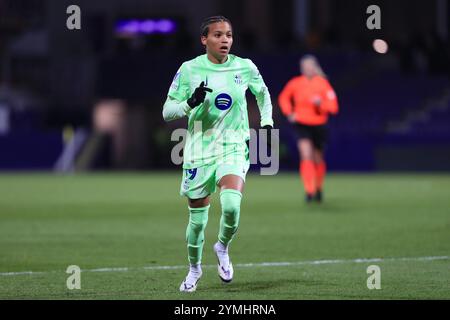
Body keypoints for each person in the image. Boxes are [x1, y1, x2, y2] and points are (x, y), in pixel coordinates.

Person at [162, 16, 274, 292]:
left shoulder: (244, 67)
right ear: (204, 40)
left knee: (232, 206)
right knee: (197, 222)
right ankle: (194, 269)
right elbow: (167, 112)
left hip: (233, 145)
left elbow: (263, 93)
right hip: (199, 150)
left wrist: (267, 121)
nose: (225, 40)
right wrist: (190, 103)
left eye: (229, 35)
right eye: (218, 35)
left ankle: (222, 246)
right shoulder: (189, 70)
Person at [278, 55, 338, 203]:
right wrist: (289, 112)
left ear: (315, 67)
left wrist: (320, 104)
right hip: (301, 124)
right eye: (304, 67)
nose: (307, 69)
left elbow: (333, 107)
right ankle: (309, 190)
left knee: (318, 158)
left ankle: (318, 187)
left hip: (319, 125)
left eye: (310, 66)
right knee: (306, 154)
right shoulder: (295, 83)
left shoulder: (323, 84)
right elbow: (283, 98)